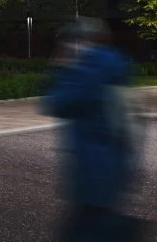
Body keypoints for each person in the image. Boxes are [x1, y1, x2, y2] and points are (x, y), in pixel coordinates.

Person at [43, 18, 143, 241]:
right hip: (113, 162)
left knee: (83, 230)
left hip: (93, 166)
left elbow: (58, 102)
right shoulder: (114, 63)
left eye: (68, 42)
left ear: (79, 41)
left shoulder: (89, 67)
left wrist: (61, 67)